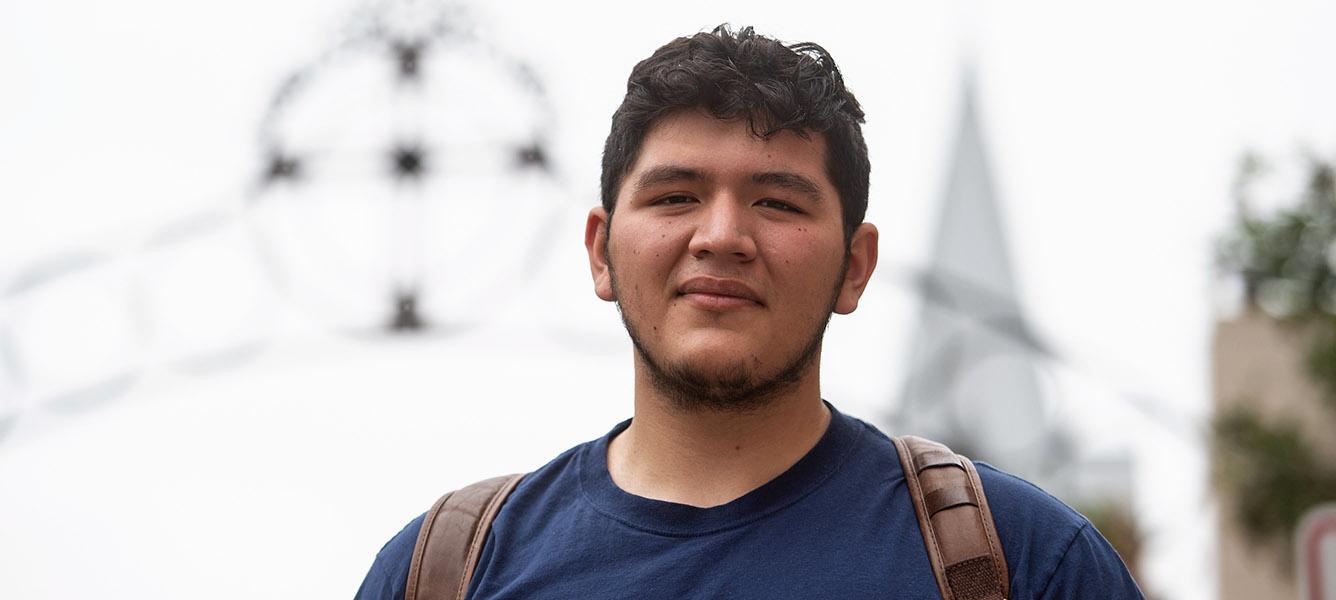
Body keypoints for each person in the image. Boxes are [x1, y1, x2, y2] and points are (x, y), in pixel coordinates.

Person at [356, 25, 1144, 599]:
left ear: (854, 267)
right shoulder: (442, 573)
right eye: (676, 197)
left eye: (776, 202)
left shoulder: (1025, 564)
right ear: (601, 252)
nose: (722, 236)